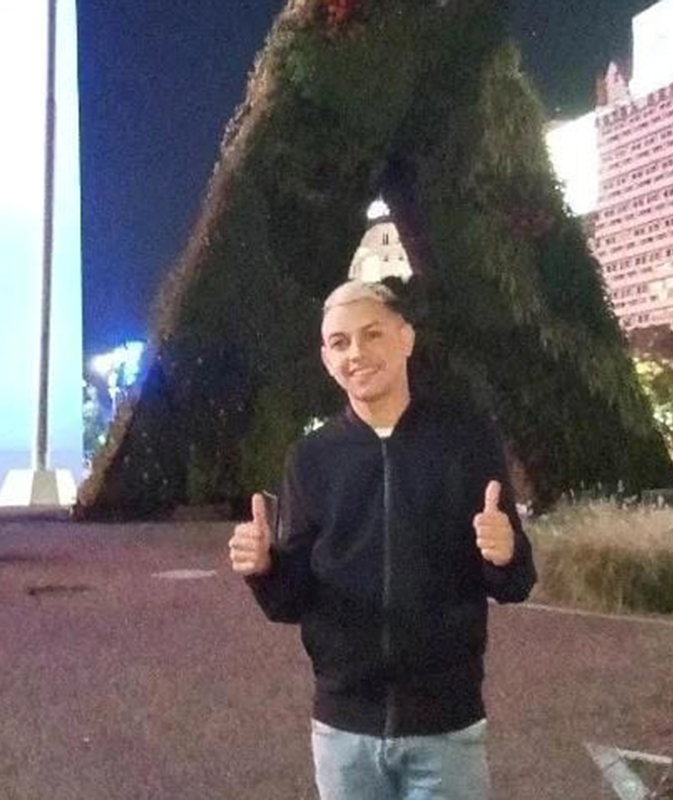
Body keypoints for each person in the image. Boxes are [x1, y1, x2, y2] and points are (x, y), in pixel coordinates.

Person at [228, 279, 536, 800]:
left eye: (371, 334)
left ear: (405, 338)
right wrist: (264, 569)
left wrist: (506, 554)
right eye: (340, 342)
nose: (356, 353)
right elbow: (291, 600)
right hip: (343, 731)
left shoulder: (465, 440)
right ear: (326, 359)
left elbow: (515, 582)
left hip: (446, 728)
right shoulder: (311, 458)